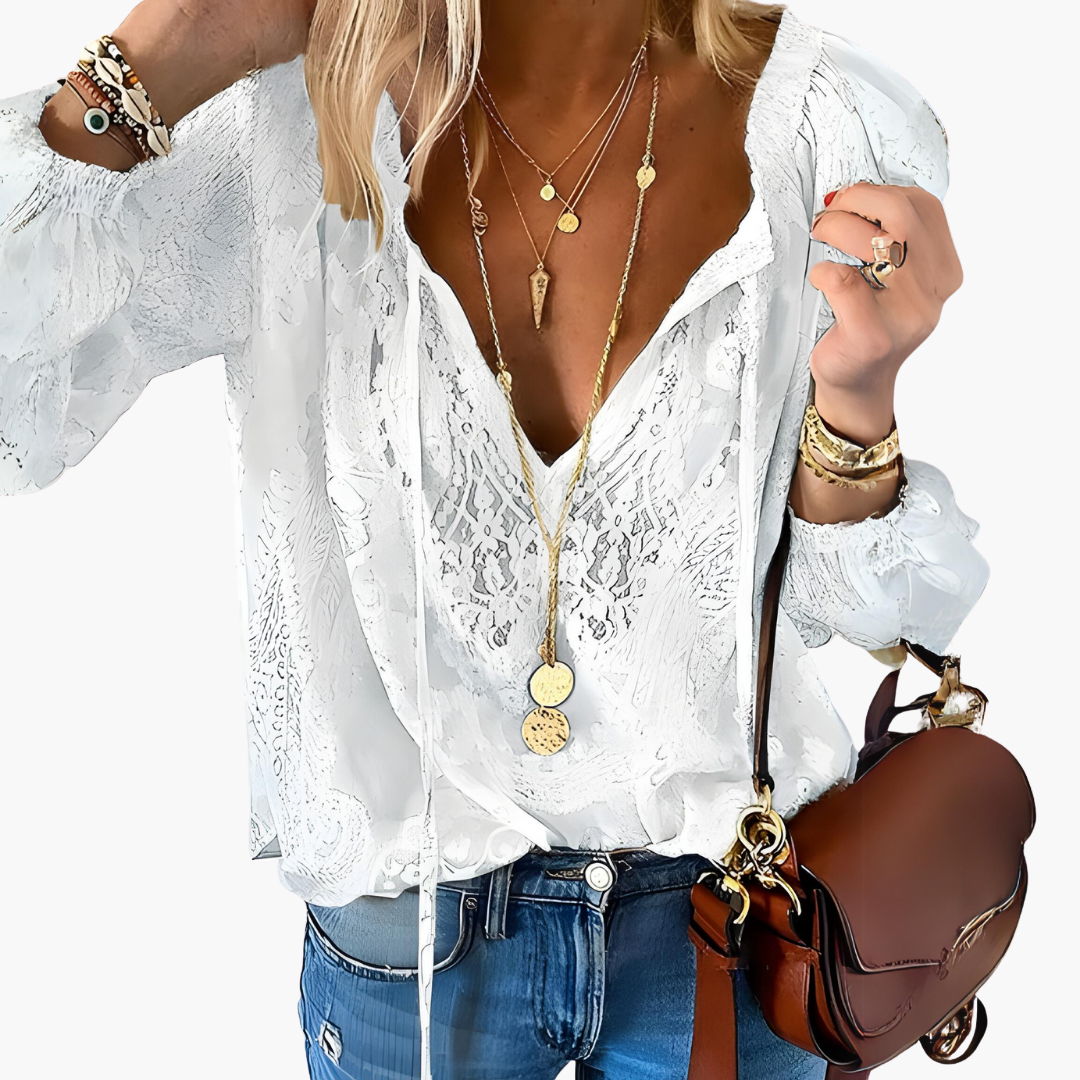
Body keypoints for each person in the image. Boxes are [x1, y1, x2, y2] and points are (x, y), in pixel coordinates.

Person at [0, 1, 987, 1078]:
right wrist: (156, 55)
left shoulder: (823, 120)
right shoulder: (283, 125)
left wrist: (857, 400)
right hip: (408, 944)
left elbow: (857, 616)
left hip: (731, 920)